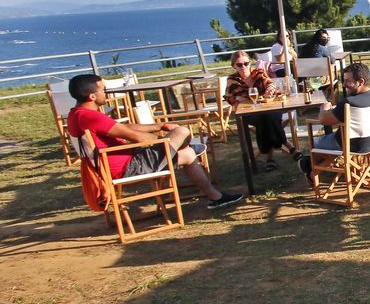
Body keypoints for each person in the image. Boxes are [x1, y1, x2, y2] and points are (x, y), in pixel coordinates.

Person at [65, 73, 242, 210]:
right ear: (92, 97)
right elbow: (135, 137)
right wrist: (166, 141)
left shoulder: (77, 114)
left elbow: (128, 127)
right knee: (181, 131)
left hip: (123, 162)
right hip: (128, 167)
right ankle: (184, 145)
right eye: (103, 90)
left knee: (187, 154)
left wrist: (161, 125)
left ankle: (216, 198)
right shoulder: (90, 117)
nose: (106, 93)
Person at [297, 62, 370, 176]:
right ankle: (314, 167)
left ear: (361, 82)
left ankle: (310, 168)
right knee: (331, 143)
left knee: (315, 142)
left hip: (351, 144)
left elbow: (324, 120)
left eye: (348, 81)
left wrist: (324, 109)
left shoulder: (348, 103)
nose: (344, 84)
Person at [224, 49, 300, 172]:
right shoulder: (232, 80)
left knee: (268, 118)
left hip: (268, 108)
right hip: (249, 113)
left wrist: (270, 89)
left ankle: (269, 159)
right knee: (265, 119)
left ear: (250, 63)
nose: (243, 67)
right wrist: (247, 97)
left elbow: (270, 84)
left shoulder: (258, 73)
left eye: (246, 63)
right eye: (239, 64)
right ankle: (290, 147)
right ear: (234, 66)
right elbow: (232, 97)